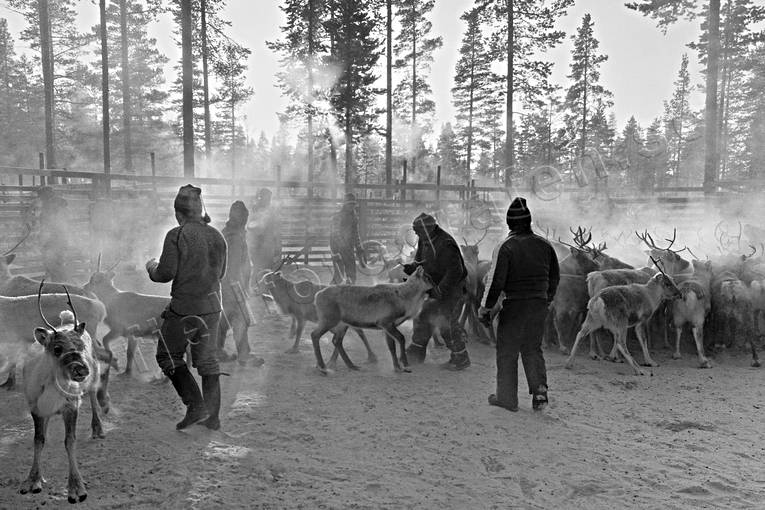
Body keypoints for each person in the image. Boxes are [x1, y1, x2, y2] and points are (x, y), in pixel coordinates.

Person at [145, 184, 227, 431]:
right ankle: (212, 417)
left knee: (168, 355)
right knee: (208, 360)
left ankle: (195, 405)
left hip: (184, 307)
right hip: (212, 306)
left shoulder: (177, 235)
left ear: (178, 212)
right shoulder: (217, 236)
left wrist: (151, 267)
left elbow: (165, 274)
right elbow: (221, 273)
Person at [479, 197, 559, 412]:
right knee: (532, 348)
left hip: (514, 306)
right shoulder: (545, 245)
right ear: (529, 221)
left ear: (509, 223)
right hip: (538, 305)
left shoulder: (505, 247)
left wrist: (485, 308)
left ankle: (507, 398)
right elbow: (554, 277)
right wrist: (547, 299)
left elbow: (495, 282)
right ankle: (540, 391)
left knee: (507, 351)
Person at [403, 212, 471, 370]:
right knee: (422, 315)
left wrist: (440, 290)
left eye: (418, 231)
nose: (417, 234)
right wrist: (412, 267)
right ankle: (416, 352)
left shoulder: (446, 243)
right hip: (434, 287)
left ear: (427, 229)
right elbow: (422, 262)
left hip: (453, 290)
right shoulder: (425, 240)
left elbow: (456, 271)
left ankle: (460, 357)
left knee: (445, 322)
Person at [218, 201, 262, 366]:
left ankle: (216, 349)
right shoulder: (235, 238)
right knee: (241, 318)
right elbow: (234, 266)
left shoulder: (227, 233)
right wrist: (240, 289)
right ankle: (244, 354)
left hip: (225, 285)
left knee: (225, 317)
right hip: (233, 285)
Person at [329, 193, 366, 284]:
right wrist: (342, 245)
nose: (352, 206)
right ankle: (330, 293)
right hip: (337, 249)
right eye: (350, 204)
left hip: (348, 248)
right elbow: (335, 233)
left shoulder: (354, 217)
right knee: (339, 276)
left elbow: (356, 234)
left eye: (353, 204)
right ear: (345, 205)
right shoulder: (337, 217)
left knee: (352, 274)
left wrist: (359, 248)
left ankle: (349, 294)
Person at [247, 188, 281, 278]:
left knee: (268, 269)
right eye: (267, 198)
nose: (269, 200)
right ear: (261, 198)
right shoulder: (254, 210)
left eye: (269, 198)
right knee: (256, 268)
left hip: (268, 246)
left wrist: (277, 246)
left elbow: (275, 230)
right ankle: (254, 287)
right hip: (257, 245)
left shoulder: (271, 212)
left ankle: (265, 287)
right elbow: (249, 226)